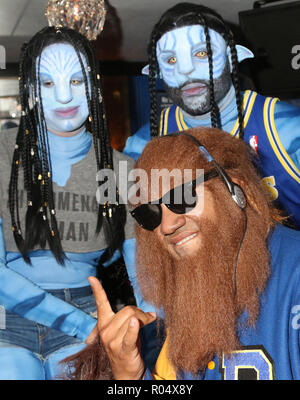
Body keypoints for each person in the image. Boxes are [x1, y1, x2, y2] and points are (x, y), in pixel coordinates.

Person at [83, 127, 300, 380]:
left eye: (183, 196)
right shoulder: (190, 297)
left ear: (237, 191)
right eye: (150, 213)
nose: (167, 225)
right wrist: (129, 375)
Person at [0, 26, 154, 380]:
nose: (66, 96)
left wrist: (143, 323)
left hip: (89, 314)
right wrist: (81, 324)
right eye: (49, 83)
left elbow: (142, 276)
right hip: (11, 320)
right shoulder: (3, 156)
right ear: (31, 90)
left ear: (94, 86)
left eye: (77, 80)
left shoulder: (122, 170)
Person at [123, 2, 300, 229]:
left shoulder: (284, 129)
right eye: (171, 60)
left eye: (202, 52)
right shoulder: (142, 146)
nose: (185, 70)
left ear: (232, 57)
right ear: (157, 72)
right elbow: (133, 236)